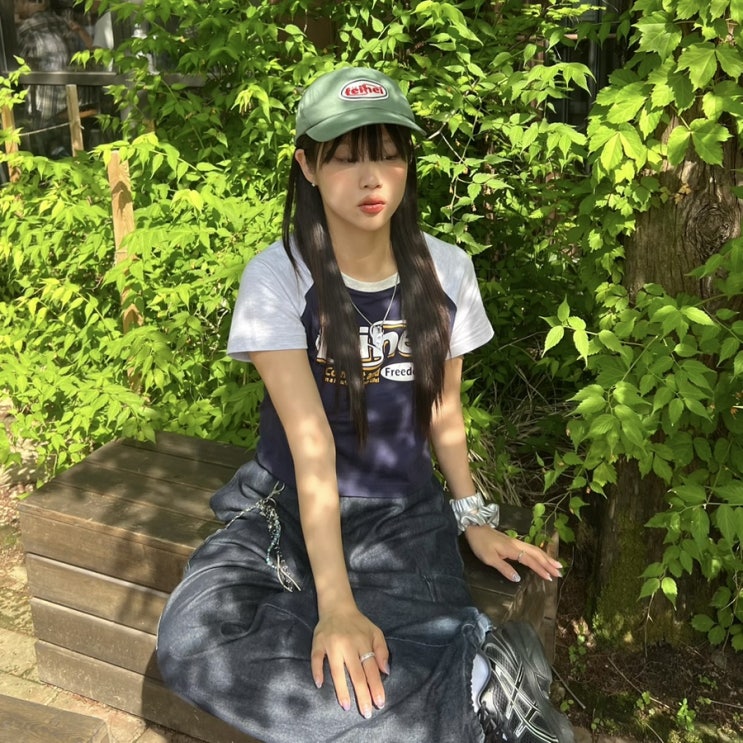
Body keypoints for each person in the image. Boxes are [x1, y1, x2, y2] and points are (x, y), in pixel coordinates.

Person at [156, 66, 575, 743]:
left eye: (387, 153)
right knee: (192, 639)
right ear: (307, 166)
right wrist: (336, 607)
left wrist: (471, 516)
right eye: (345, 158)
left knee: (414, 637)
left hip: (401, 514)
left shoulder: (447, 270)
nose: (371, 177)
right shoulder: (278, 276)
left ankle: (467, 685)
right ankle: (476, 689)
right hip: (285, 507)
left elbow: (443, 409)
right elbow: (311, 442)